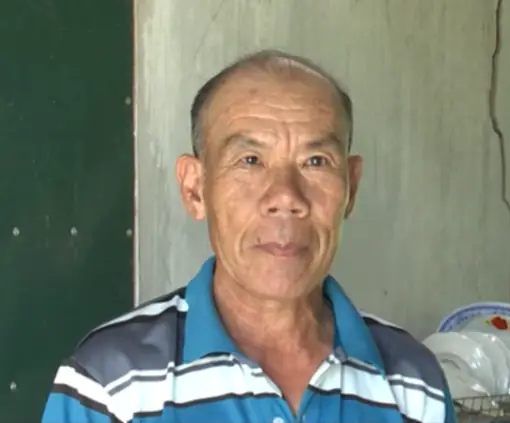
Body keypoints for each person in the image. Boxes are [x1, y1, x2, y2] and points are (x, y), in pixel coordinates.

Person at [41, 50, 456, 423]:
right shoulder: (111, 388)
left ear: (351, 187)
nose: (286, 198)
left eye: (315, 161)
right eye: (251, 160)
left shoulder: (413, 386)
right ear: (195, 188)